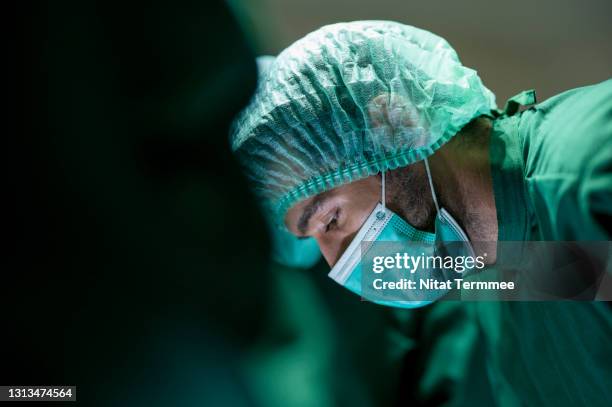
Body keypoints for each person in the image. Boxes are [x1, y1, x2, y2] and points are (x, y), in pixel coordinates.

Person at [231, 21, 612, 406]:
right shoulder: (503, 274)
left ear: (394, 123)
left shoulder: (590, 162)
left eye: (330, 221)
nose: (337, 262)